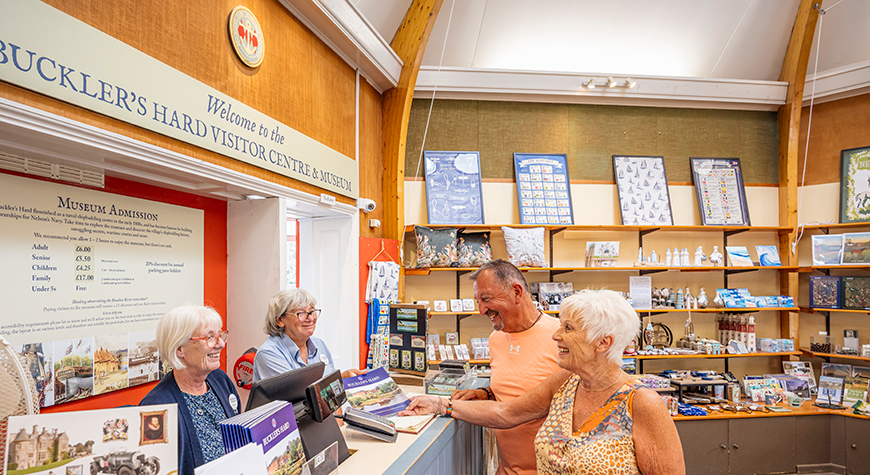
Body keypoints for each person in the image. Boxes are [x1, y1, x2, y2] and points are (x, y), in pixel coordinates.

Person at [400, 290, 685, 475]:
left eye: (568, 328)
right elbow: (506, 413)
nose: (556, 335)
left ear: (603, 342)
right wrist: (439, 404)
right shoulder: (567, 382)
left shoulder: (642, 404)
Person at [451, 259, 561, 475]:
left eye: (486, 299)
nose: (482, 310)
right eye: (478, 301)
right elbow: (517, 387)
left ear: (517, 292)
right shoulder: (496, 339)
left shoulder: (561, 338)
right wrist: (484, 393)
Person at [140, 304, 240, 475]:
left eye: (220, 335)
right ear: (180, 349)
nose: (221, 343)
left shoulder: (220, 379)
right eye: (209, 337)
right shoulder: (156, 407)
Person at [253, 288, 365, 382]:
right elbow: (298, 397)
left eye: (312, 312)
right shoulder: (269, 353)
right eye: (301, 313)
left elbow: (331, 396)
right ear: (280, 320)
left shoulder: (319, 344)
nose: (310, 318)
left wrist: (344, 378)